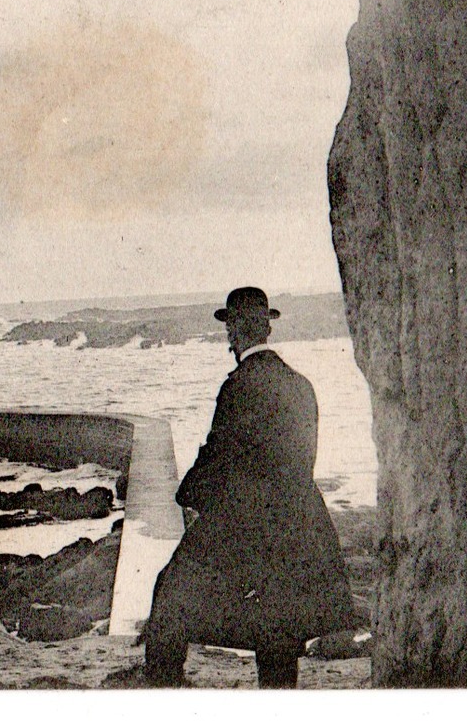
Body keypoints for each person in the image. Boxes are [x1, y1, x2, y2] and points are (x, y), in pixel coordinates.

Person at [140, 287, 359, 688]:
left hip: (246, 521)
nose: (228, 337)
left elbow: (217, 458)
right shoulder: (301, 385)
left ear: (236, 332)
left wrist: (187, 495)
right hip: (299, 523)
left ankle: (162, 693)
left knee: (170, 596)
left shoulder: (238, 386)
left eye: (230, 328)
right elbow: (302, 459)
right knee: (279, 628)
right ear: (267, 329)